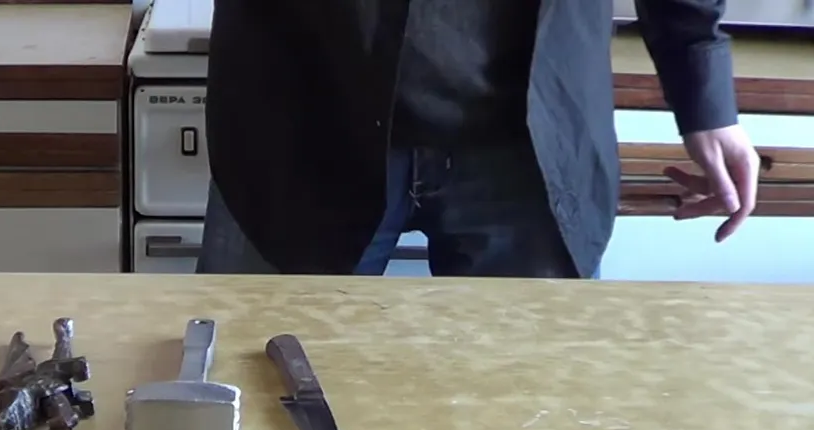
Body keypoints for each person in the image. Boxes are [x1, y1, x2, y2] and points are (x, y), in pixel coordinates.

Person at [197, 0, 761, 278]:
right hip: (302, 118)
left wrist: (704, 96)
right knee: (258, 398)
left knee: (526, 419)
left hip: (531, 150)